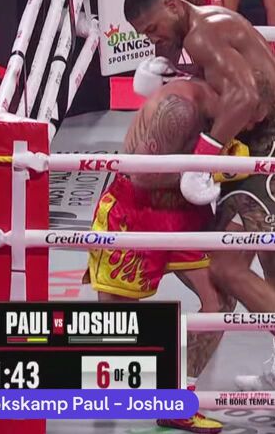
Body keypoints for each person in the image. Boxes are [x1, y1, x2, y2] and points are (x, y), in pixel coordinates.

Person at [123, 0, 275, 393]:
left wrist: (201, 162)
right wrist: (171, 63)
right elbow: (235, 82)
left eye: (153, 29)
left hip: (274, 144)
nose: (152, 39)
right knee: (273, 256)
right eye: (145, 35)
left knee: (224, 267)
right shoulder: (203, 27)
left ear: (172, 6)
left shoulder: (202, 35)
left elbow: (245, 100)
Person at [84, 77, 228, 434]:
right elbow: (141, 174)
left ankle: (179, 400)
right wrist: (205, 169)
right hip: (136, 212)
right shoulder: (178, 109)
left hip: (185, 214)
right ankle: (107, 385)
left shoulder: (227, 107)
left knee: (220, 301)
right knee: (119, 318)